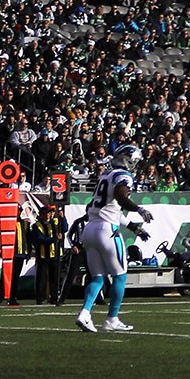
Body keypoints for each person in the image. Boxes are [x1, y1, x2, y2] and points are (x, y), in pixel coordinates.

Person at [75, 141, 150, 333]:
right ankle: (112, 318)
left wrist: (134, 228)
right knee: (120, 276)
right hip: (107, 230)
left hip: (90, 229)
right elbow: (121, 196)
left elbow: (110, 208)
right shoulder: (123, 176)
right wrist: (138, 209)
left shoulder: (105, 175)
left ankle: (85, 313)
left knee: (98, 277)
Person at [29, 203, 66, 304]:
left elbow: (64, 229)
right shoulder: (36, 225)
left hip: (55, 254)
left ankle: (54, 297)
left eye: (49, 213)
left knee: (55, 278)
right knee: (42, 278)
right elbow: (40, 239)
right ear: (40, 215)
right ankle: (40, 298)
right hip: (43, 255)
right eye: (45, 213)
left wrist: (63, 218)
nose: (48, 215)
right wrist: (54, 239)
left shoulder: (56, 222)